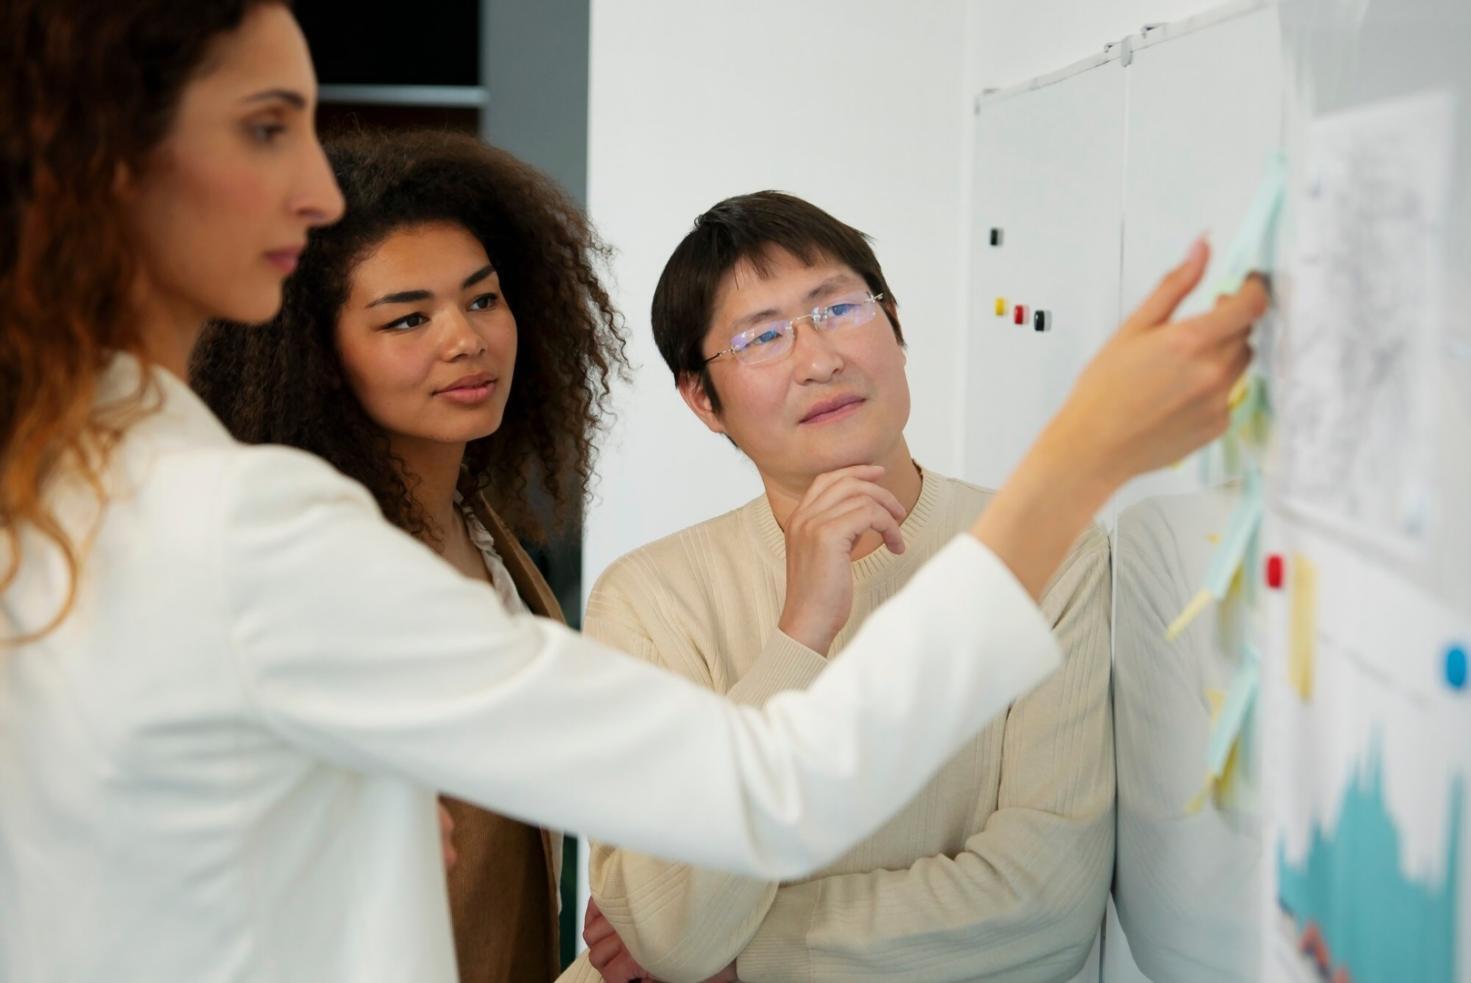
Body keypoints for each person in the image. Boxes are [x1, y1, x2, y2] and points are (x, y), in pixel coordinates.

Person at [0, 2, 1266, 980]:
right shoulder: (235, 526)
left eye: (838, 308)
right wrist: (1084, 455)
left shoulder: (83, 487)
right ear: (115, 157)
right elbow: (757, 795)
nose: (318, 189)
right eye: (266, 126)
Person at [567, 192, 1113, 983]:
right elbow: (666, 925)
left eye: (838, 309)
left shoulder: (1043, 552)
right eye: (761, 337)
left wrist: (745, 956)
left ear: (894, 323)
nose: (817, 359)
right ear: (701, 399)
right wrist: (799, 634)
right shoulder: (649, 598)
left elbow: (1045, 903)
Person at [190, 129, 627, 981]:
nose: (464, 339)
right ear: (314, 356)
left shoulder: (489, 530)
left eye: (483, 299)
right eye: (407, 318)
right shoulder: (308, 570)